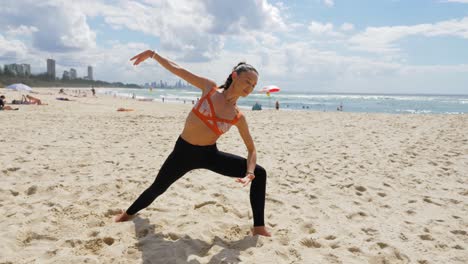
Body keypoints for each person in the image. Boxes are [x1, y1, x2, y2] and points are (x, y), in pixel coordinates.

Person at [114, 50, 271, 237]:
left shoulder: (238, 116)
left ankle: (259, 228)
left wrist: (249, 173)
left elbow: (251, 149)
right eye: (247, 81)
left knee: (260, 173)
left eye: (253, 85)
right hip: (183, 153)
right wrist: (153, 55)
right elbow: (179, 70)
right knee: (158, 188)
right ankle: (127, 215)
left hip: (209, 155)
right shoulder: (209, 89)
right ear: (234, 76)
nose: (250, 87)